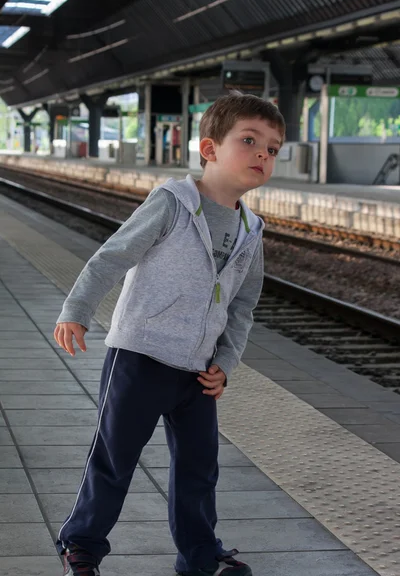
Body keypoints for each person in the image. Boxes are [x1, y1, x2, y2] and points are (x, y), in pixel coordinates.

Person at [54, 91, 285, 576]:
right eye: (250, 141)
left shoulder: (251, 228)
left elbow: (244, 302)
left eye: (273, 149)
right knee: (115, 456)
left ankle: (201, 556)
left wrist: (227, 360)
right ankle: (82, 543)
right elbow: (112, 256)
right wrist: (77, 309)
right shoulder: (173, 203)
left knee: (199, 469)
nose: (263, 155)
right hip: (140, 354)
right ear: (209, 149)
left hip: (199, 369)